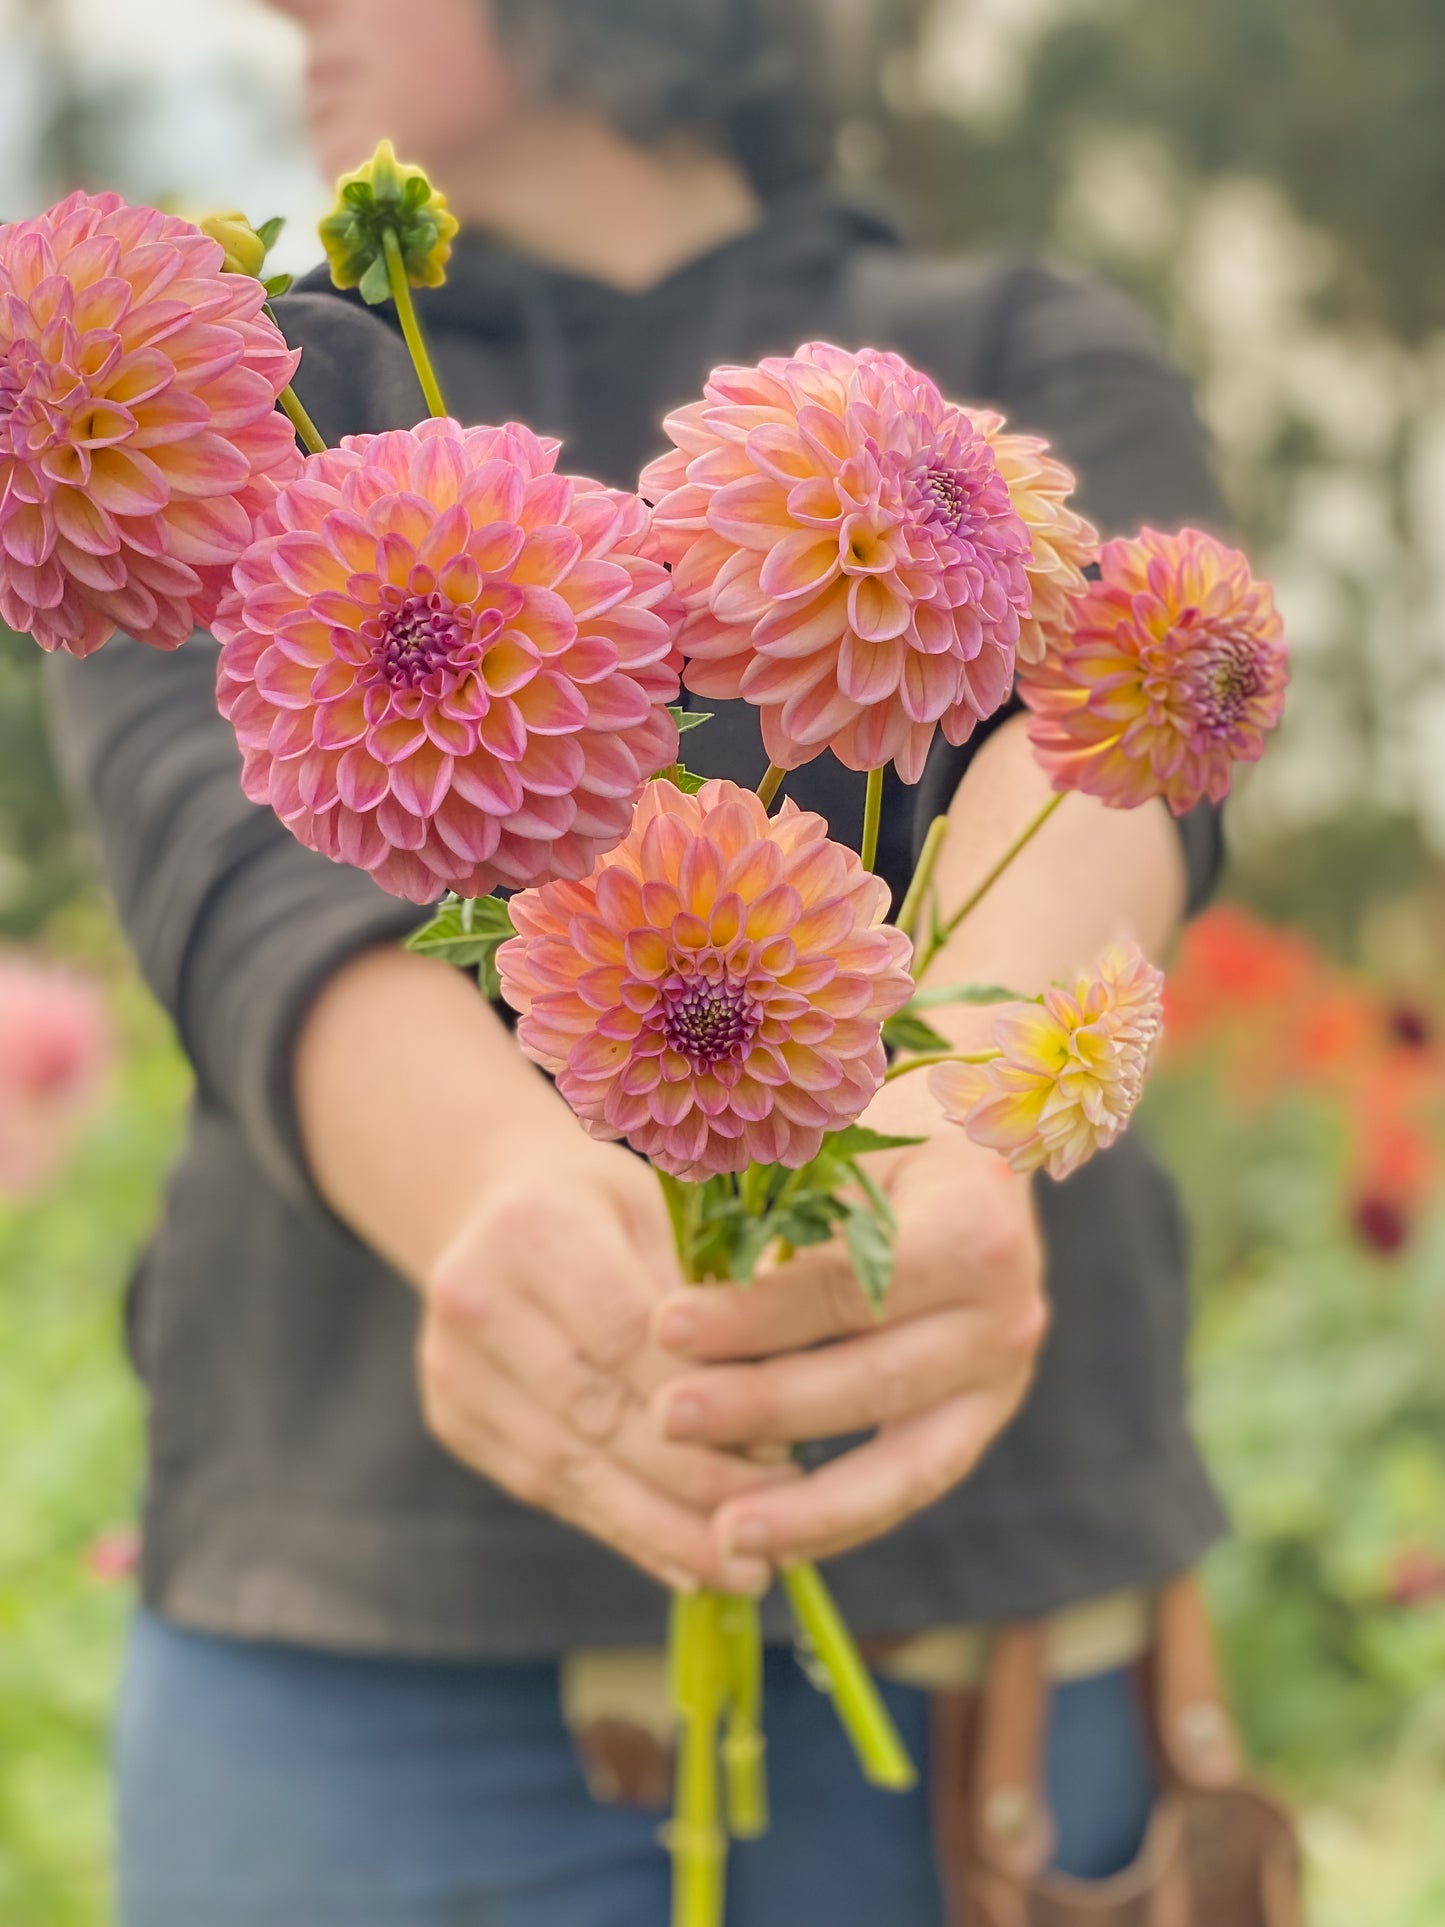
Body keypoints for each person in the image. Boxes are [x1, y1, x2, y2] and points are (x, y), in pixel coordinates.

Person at [47, 2, 1228, 1921]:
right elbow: (230, 859)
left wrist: (959, 1120)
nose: (285, 9)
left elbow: (1116, 741)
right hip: (368, 1666)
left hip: (967, 1654)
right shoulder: (249, 385)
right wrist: (492, 1194)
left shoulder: (1020, 344)